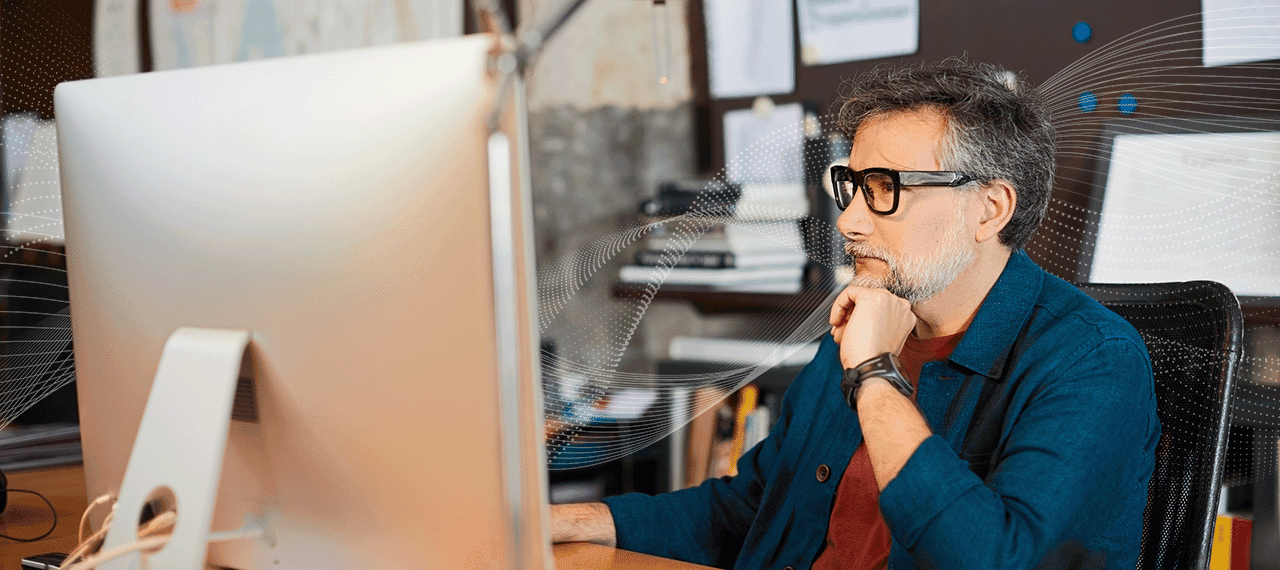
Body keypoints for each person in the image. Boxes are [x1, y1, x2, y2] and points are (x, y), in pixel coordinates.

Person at [551, 59, 1159, 570]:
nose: (848, 222)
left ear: (990, 209)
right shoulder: (870, 319)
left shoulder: (1093, 361)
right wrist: (574, 522)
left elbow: (991, 555)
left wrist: (873, 373)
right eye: (852, 186)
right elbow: (750, 508)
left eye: (885, 188)